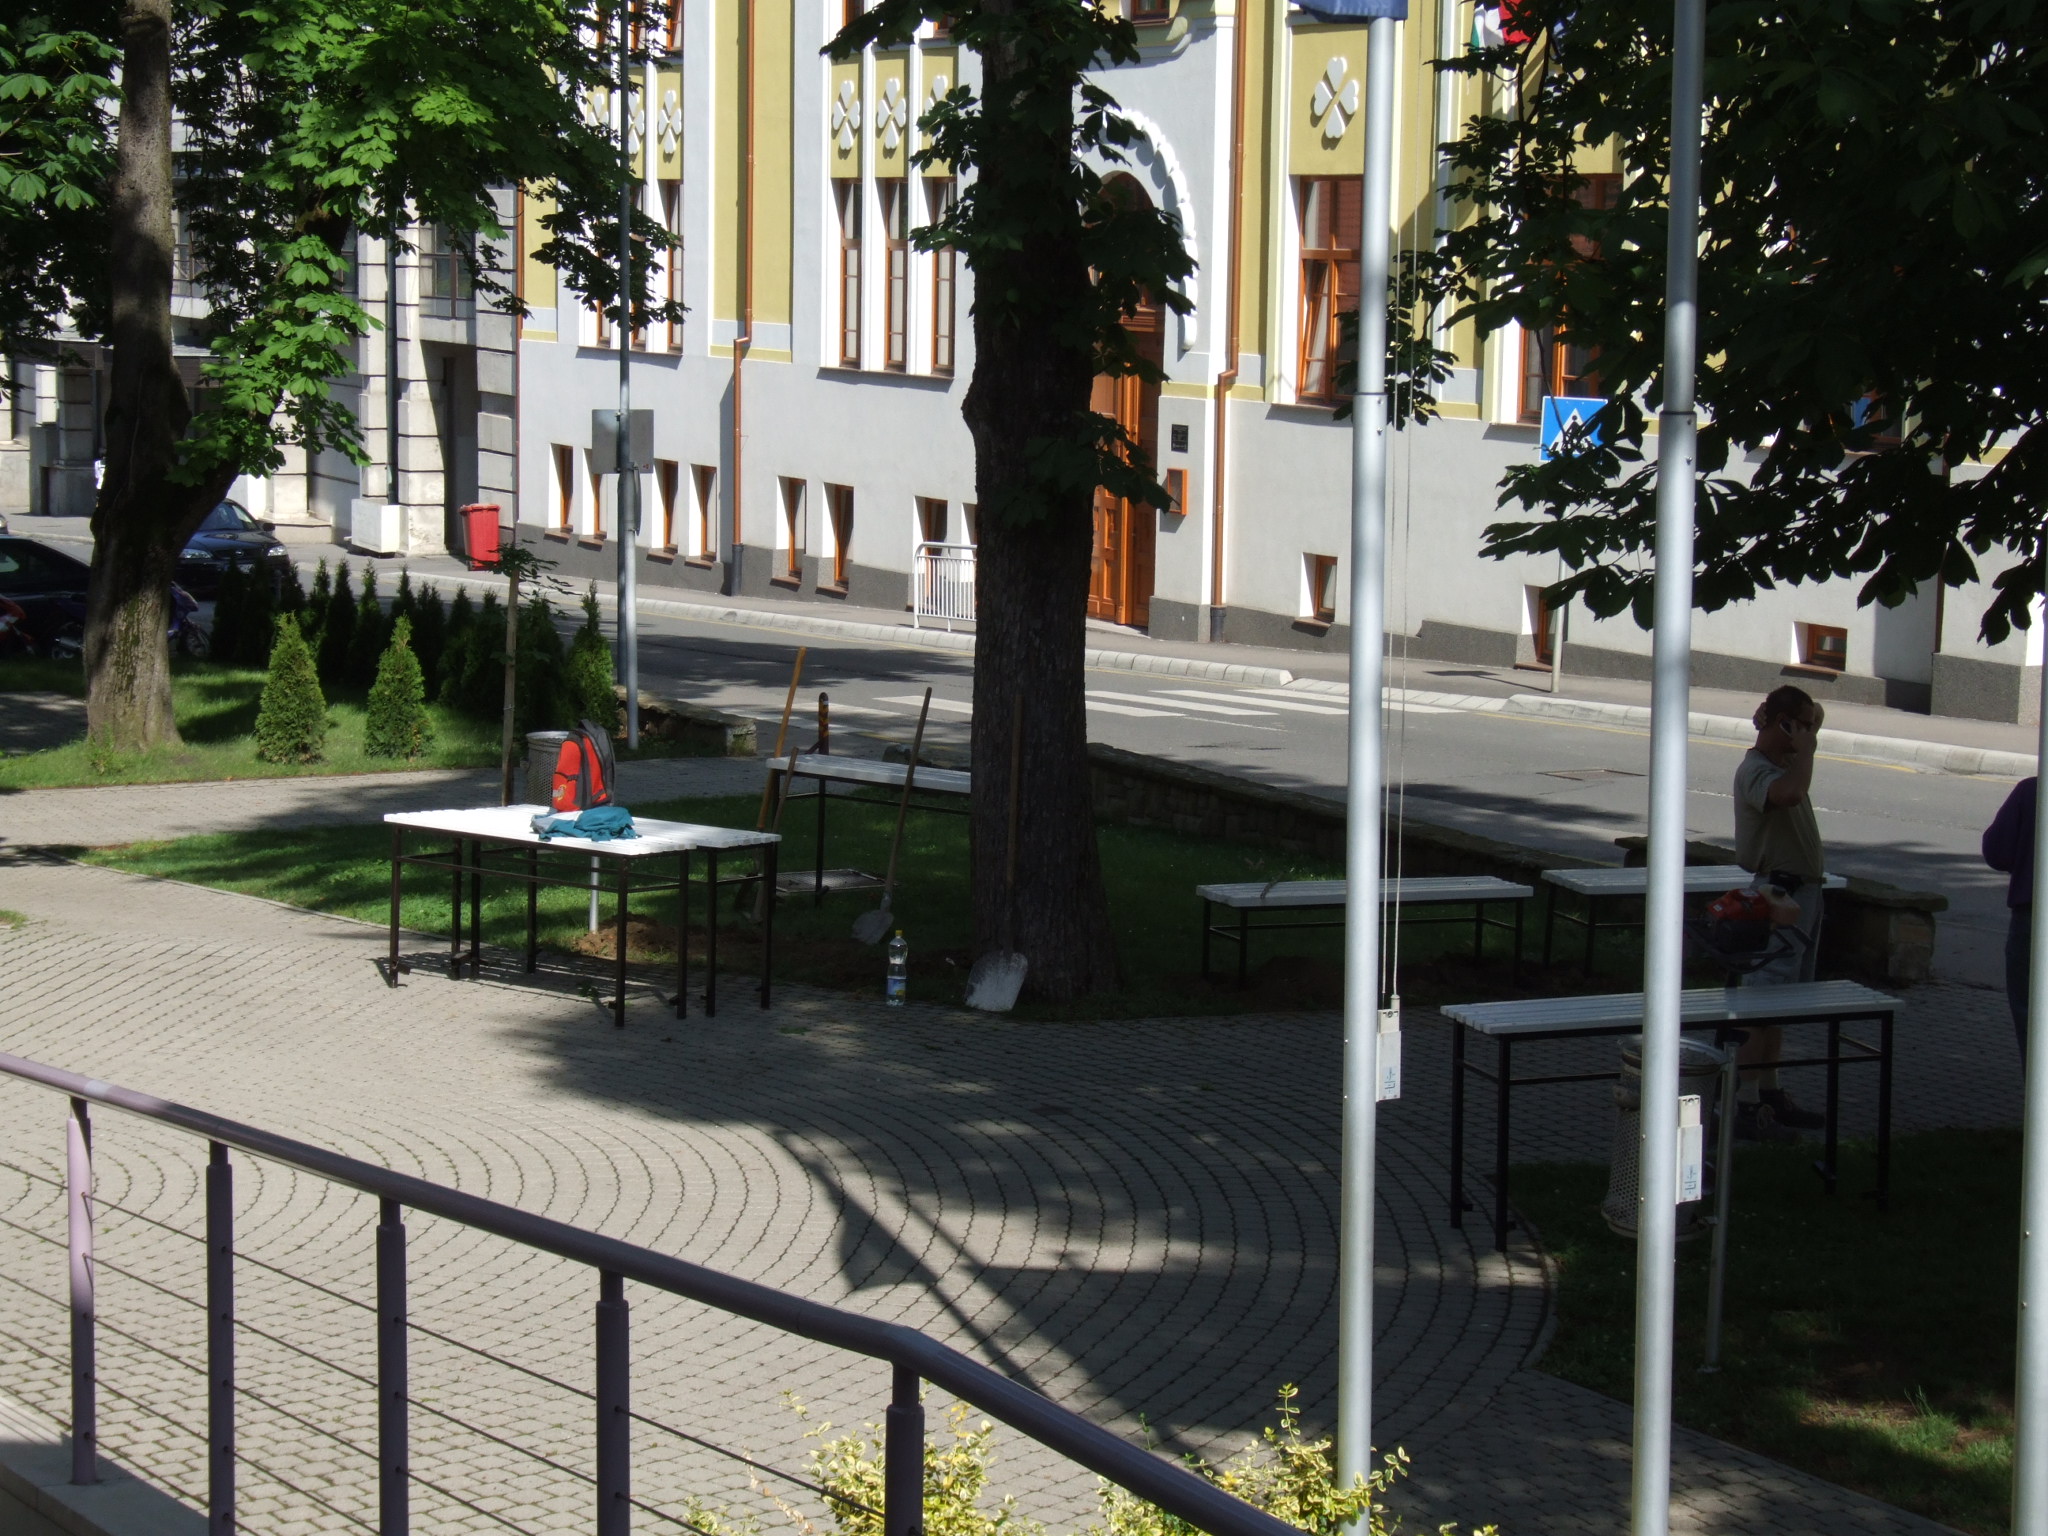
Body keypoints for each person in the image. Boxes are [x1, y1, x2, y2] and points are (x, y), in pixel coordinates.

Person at [1730, 685, 1829, 1139]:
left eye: (1807, 727)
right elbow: (1788, 795)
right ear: (1781, 724)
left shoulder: (1786, 759)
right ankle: (1745, 1102)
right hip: (1777, 893)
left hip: (1802, 893)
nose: (1809, 733)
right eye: (1799, 726)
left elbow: (1818, 712)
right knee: (1761, 999)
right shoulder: (1757, 770)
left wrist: (1799, 728)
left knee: (1781, 1002)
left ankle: (1769, 1090)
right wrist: (1804, 748)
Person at [1982, 775, 2036, 1058]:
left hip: (2033, 917)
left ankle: (2037, 1082)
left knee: (2031, 1014)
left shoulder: (2032, 791)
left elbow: (1998, 852)